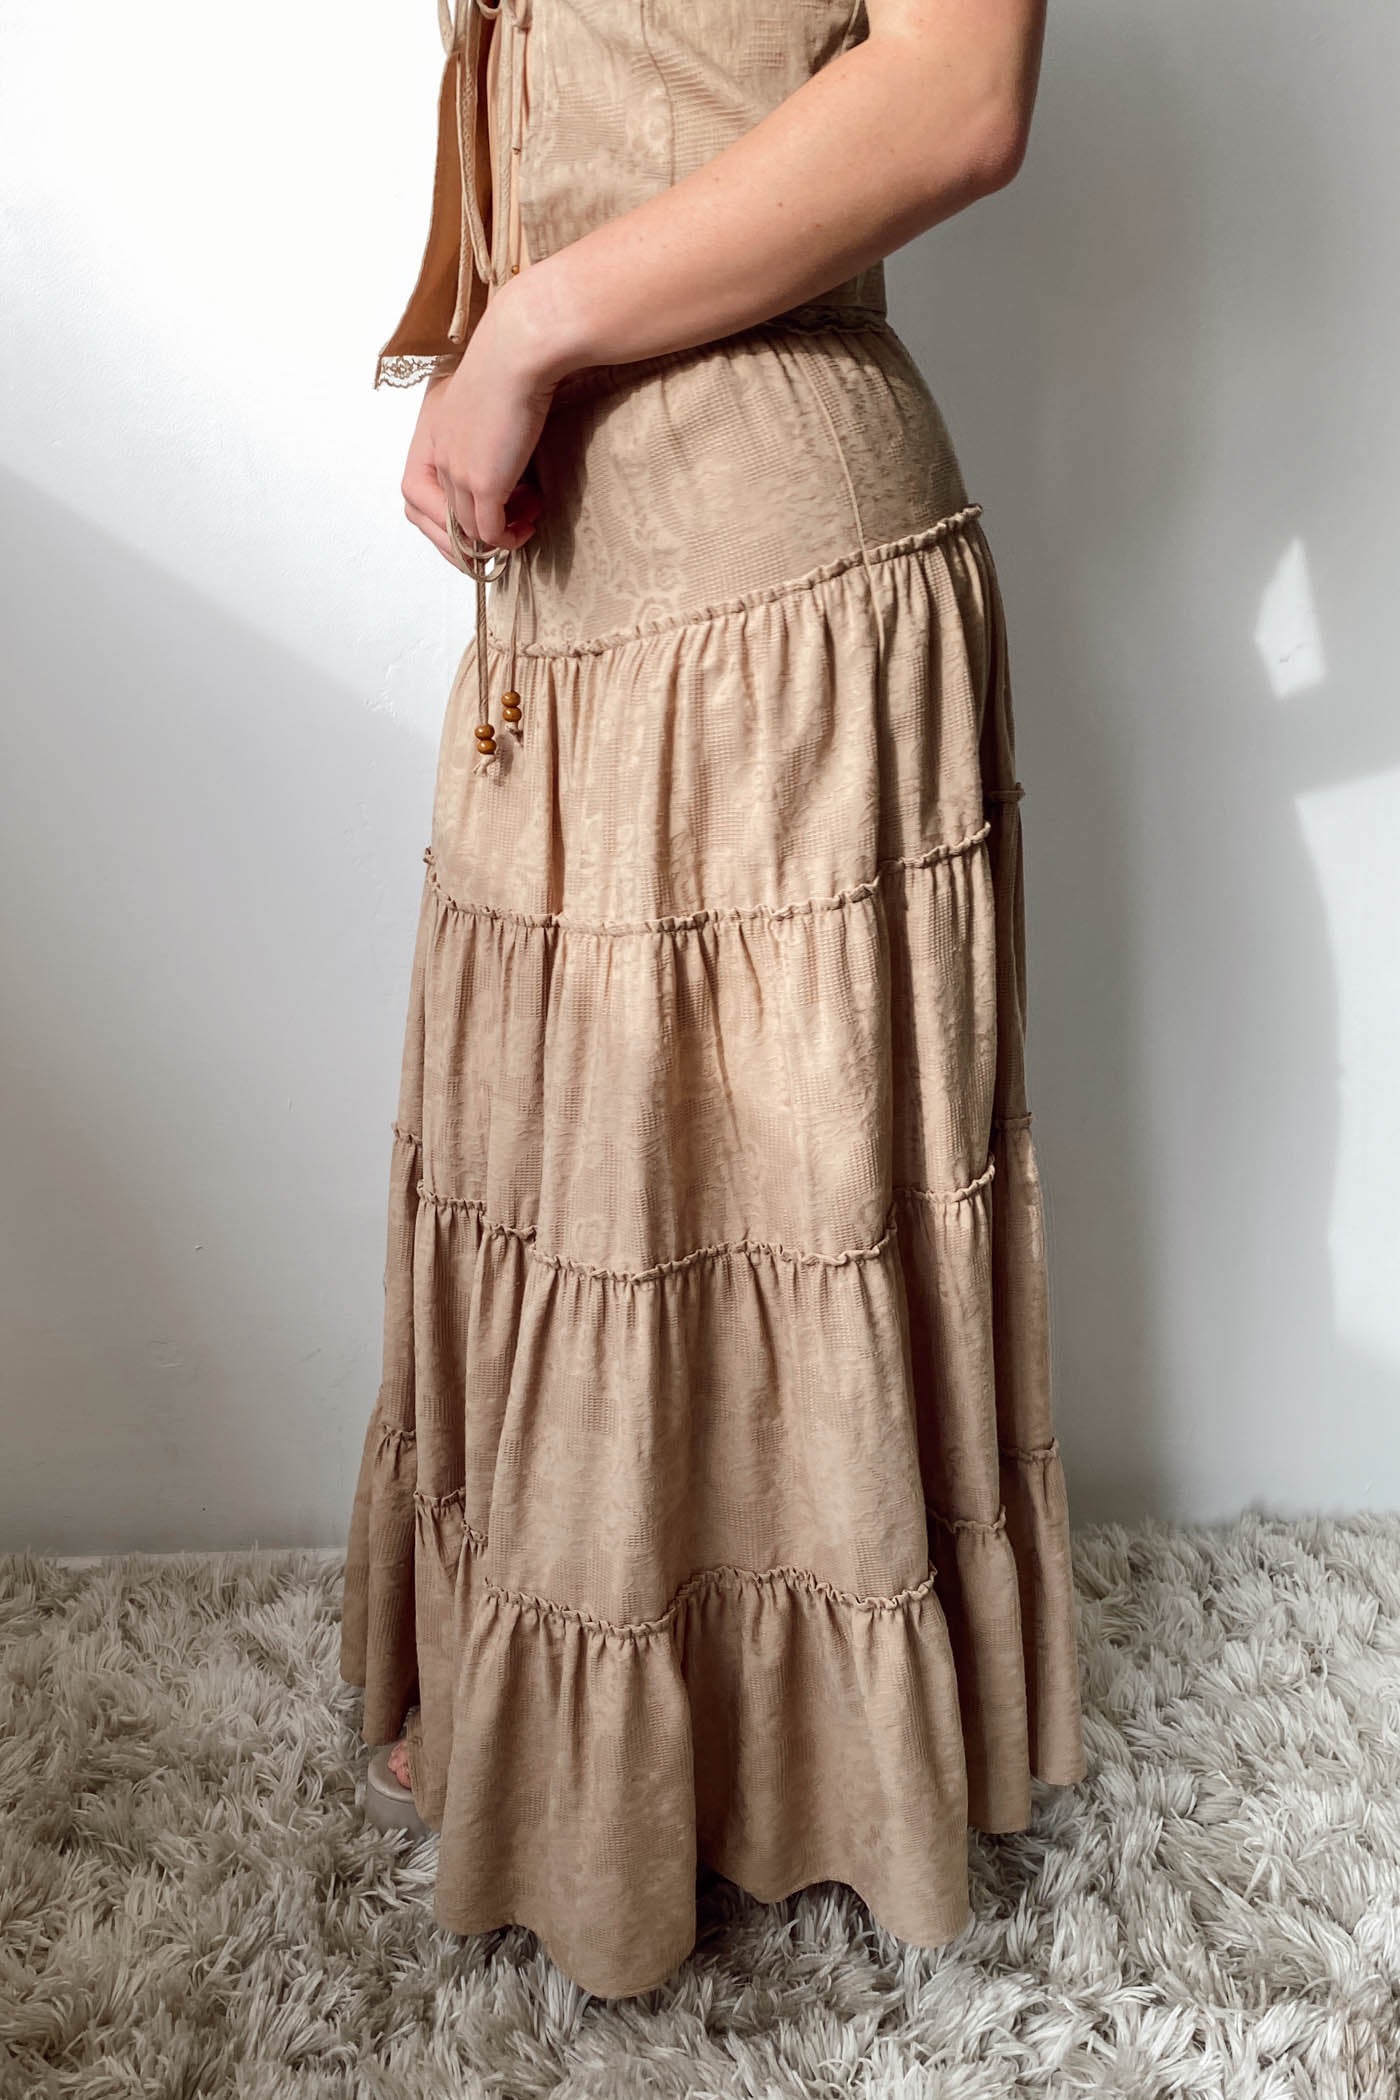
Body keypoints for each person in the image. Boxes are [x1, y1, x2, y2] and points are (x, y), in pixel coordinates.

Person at [340, 0, 1086, 2001]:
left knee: (740, 1211)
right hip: (592, 586)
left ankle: (768, 1768)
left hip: (767, 583)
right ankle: (581, 1730)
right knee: (593, 1180)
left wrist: (524, 335)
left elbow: (954, 92)